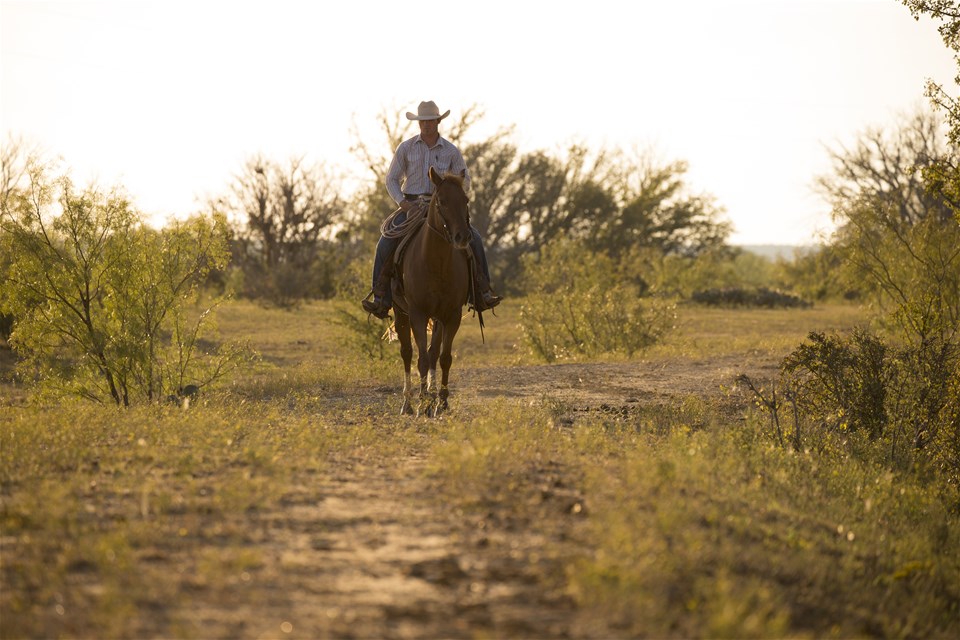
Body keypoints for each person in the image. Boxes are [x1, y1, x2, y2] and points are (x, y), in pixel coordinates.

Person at [362, 100, 502, 319]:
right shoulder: (406, 148)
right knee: (386, 241)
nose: (426, 125)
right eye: (423, 122)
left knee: (474, 238)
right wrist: (403, 203)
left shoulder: (451, 151)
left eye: (430, 121)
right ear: (419, 123)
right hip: (412, 206)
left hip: (443, 206)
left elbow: (466, 180)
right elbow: (391, 180)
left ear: (438, 121)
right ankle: (380, 297)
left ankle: (482, 291)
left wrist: (451, 192)